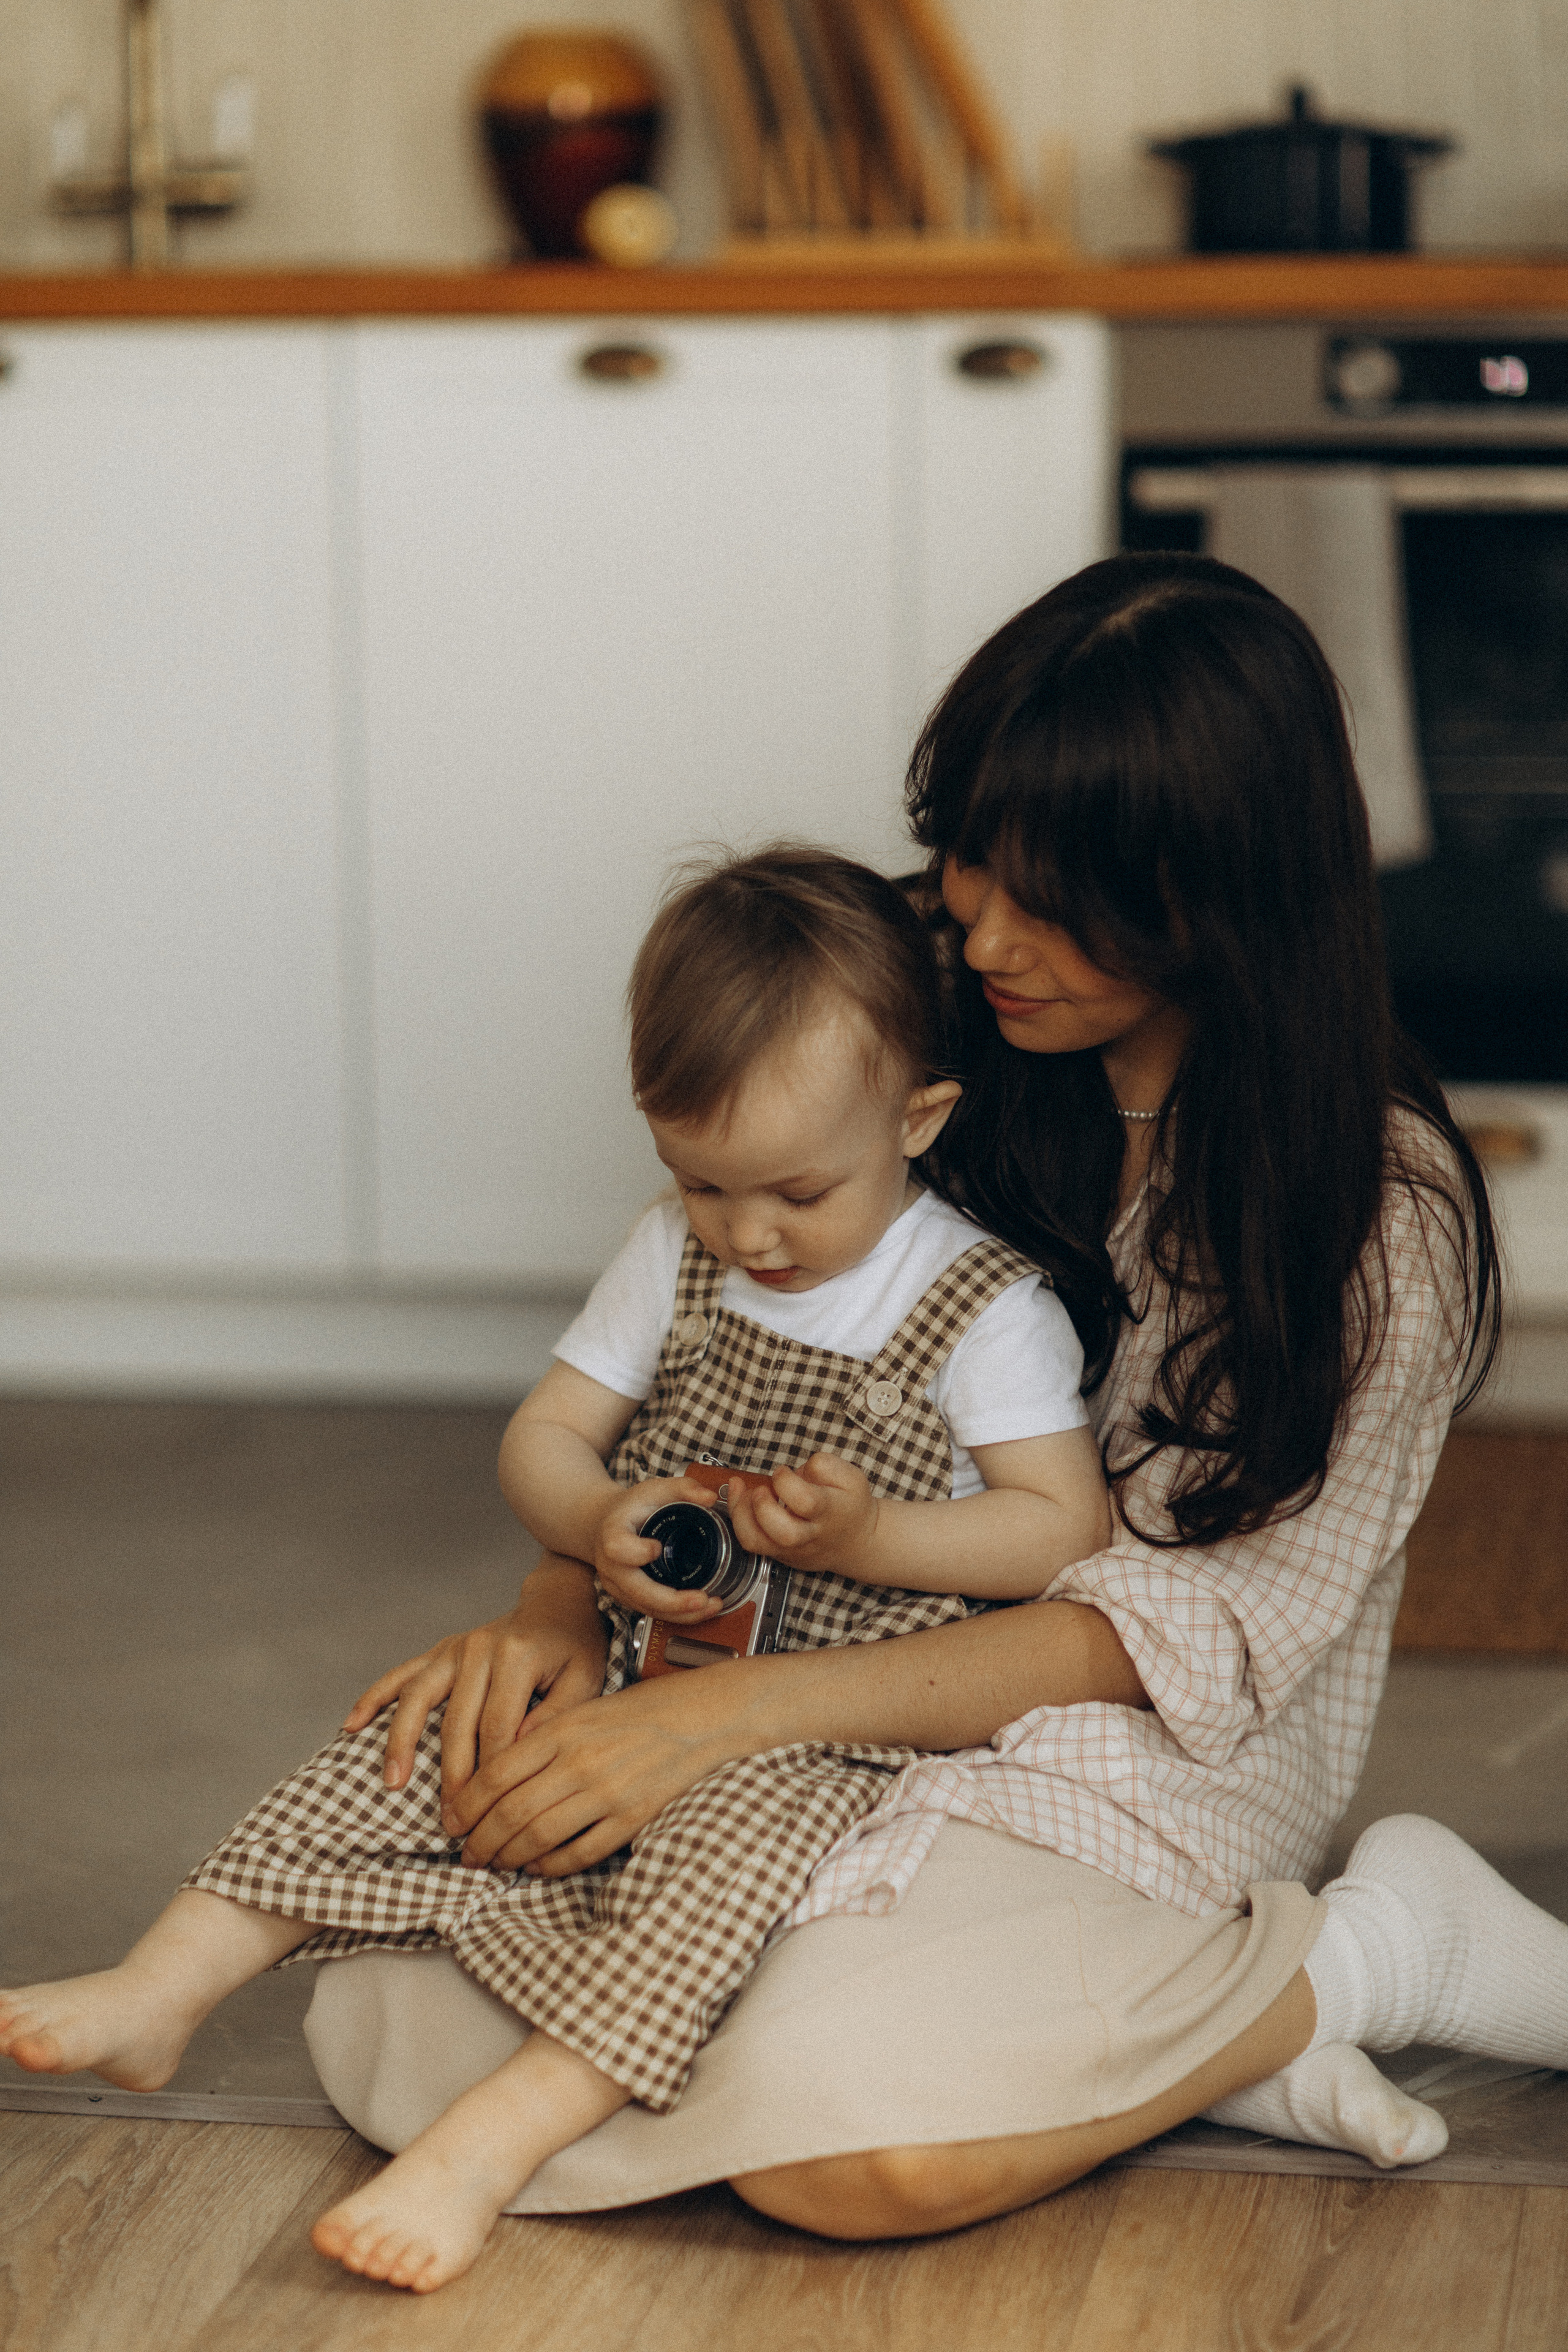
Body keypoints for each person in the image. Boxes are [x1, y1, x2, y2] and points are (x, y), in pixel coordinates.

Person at [292, 551, 1567, 2239]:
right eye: (969, 854)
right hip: (798, 1635)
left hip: (1140, 1737)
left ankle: (1376, 1953)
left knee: (857, 2165)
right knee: (390, 2012)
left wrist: (715, 1723)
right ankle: (1198, 2043)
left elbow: (1166, 1633)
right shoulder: (917, 1011)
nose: (978, 929)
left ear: (1220, 893)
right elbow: (711, 1354)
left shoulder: (1370, 1219)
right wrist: (560, 1601)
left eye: (1051, 900)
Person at [0, 848, 1112, 2294]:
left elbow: (1058, 1531)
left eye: (794, 1191)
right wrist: (590, 1523)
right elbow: (544, 1437)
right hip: (639, 1655)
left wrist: (873, 1537)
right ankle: (166, 1986)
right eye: (701, 1184)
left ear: (919, 1116)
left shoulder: (979, 1303)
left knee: (717, 1878)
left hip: (827, 1727)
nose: (749, 1234)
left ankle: (490, 2142)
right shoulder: (675, 1255)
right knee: (401, 1748)